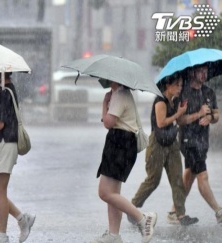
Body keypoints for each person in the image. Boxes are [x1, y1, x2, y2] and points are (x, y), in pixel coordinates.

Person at [92, 80, 157, 243]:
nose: (103, 80)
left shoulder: (120, 95)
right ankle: (114, 235)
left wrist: (104, 103)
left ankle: (142, 218)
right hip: (122, 143)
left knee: (105, 193)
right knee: (113, 194)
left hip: (119, 143)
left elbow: (108, 122)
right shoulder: (120, 94)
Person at [129, 73, 198, 225]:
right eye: (177, 85)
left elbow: (179, 120)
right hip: (157, 144)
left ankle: (181, 215)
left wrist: (191, 114)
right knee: (153, 180)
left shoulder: (175, 101)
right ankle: (132, 207)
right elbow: (161, 123)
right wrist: (178, 114)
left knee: (177, 179)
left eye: (181, 85)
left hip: (172, 142)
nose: (180, 88)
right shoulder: (160, 101)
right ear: (168, 86)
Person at [0, 72, 35, 243]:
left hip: (4, 144)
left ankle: (1, 235)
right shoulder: (3, 90)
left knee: (0, 191)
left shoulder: (4, 93)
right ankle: (22, 218)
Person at [172, 64, 222, 223]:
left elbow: (216, 114)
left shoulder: (209, 92)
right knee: (202, 175)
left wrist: (210, 118)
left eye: (206, 71)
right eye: (201, 71)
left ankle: (174, 211)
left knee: (190, 175)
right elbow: (179, 120)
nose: (204, 74)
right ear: (193, 72)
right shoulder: (184, 93)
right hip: (188, 141)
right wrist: (198, 114)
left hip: (202, 141)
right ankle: (218, 211)